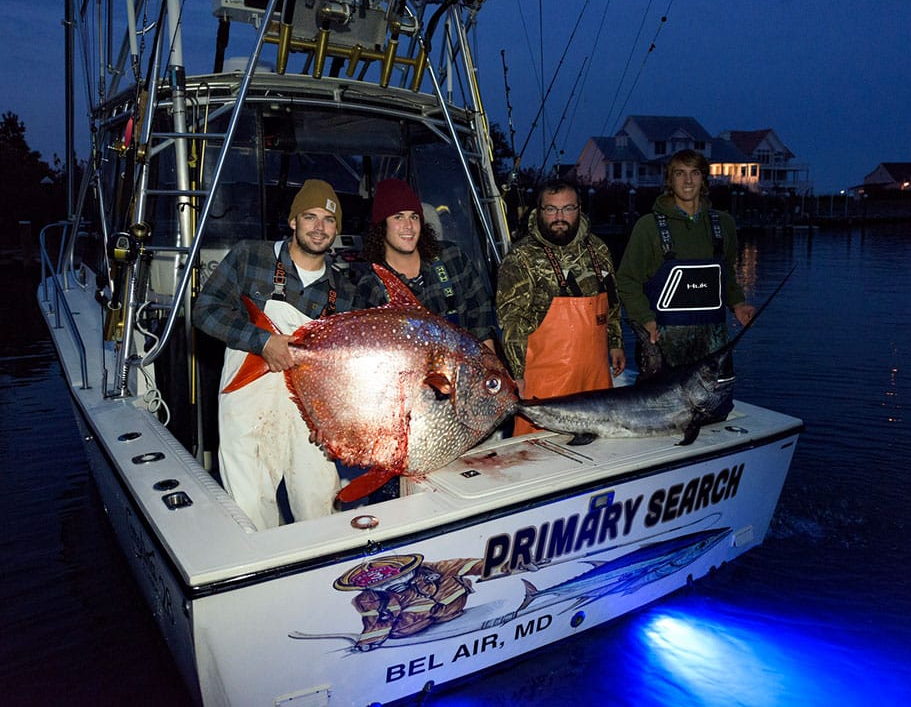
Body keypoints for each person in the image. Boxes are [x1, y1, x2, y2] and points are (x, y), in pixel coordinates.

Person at [193, 179, 357, 530]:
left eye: (329, 221)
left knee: (321, 508)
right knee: (249, 509)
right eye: (310, 217)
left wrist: (330, 418)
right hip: (250, 403)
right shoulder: (249, 256)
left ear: (337, 230)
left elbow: (342, 369)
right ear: (293, 221)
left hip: (308, 412)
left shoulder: (343, 291)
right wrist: (262, 341)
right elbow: (204, 311)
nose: (319, 227)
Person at [495, 178, 626, 435]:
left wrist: (616, 343)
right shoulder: (521, 257)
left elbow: (612, 302)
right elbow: (512, 322)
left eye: (568, 208)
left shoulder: (598, 249)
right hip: (545, 386)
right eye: (551, 209)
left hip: (596, 378)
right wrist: (516, 375)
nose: (559, 217)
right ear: (539, 211)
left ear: (579, 209)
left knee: (598, 449)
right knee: (538, 457)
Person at [616, 149, 755, 372]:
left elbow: (726, 273)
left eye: (695, 173)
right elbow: (626, 280)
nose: (688, 180)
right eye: (680, 173)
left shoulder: (724, 224)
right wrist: (645, 319)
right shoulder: (648, 226)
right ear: (670, 180)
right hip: (663, 340)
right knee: (662, 404)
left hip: (713, 342)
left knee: (716, 403)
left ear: (704, 179)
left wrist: (738, 304)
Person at [355, 178, 497, 350]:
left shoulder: (452, 258)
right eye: (398, 217)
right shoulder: (371, 287)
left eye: (414, 217)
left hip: (464, 369)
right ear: (381, 227)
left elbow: (482, 323)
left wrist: (490, 370)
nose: (409, 226)